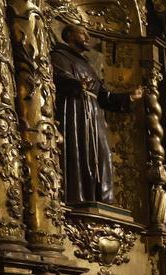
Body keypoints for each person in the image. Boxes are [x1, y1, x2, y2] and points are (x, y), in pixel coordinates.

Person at [52, 24, 143, 204]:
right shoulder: (58, 56)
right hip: (76, 112)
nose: (87, 37)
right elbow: (58, 78)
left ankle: (102, 200)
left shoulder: (88, 65)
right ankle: (79, 199)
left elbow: (104, 96)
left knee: (103, 156)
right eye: (82, 33)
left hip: (95, 116)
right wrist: (77, 84)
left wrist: (130, 97)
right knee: (80, 154)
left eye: (88, 33)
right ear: (69, 35)